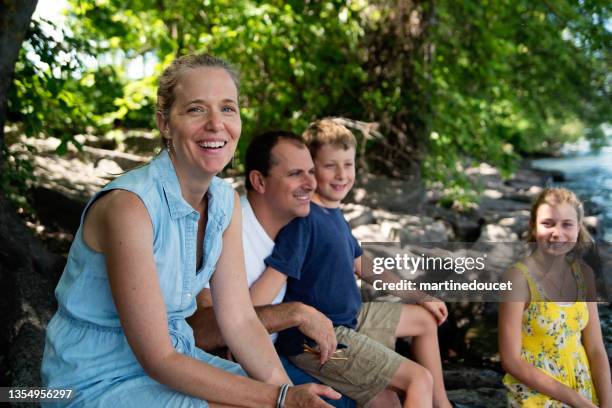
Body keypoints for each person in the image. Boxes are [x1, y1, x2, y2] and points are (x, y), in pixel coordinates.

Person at [40, 54, 340, 407]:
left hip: (178, 360)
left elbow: (241, 321)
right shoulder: (129, 207)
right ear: (165, 123)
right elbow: (158, 359)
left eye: (228, 109)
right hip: (95, 379)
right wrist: (281, 399)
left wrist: (288, 393)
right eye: (196, 109)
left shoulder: (225, 202)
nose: (216, 124)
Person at [257, 118, 454, 408]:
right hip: (317, 338)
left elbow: (364, 265)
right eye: (329, 166)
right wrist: (240, 328)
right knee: (417, 379)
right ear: (311, 171)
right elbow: (260, 296)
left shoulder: (334, 215)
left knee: (425, 320)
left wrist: (421, 296)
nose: (341, 175)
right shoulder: (304, 220)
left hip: (352, 317)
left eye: (347, 165)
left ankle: (442, 405)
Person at [189, 130, 357, 407]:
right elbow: (200, 332)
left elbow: (351, 260)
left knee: (379, 392)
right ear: (259, 181)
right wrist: (294, 314)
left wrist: (417, 290)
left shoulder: (299, 225)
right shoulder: (228, 228)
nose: (311, 184)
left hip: (287, 350)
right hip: (237, 367)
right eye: (295, 174)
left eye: (311, 172)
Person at [499, 188, 612, 408]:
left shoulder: (584, 275)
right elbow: (511, 360)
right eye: (548, 223)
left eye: (567, 224)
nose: (557, 233)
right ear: (533, 226)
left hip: (582, 387)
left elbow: (596, 348)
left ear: (579, 228)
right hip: (535, 393)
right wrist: (577, 401)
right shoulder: (517, 278)